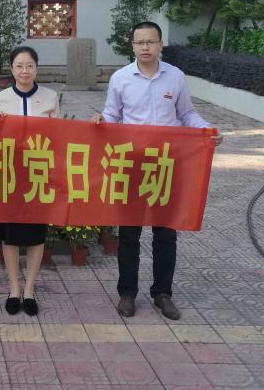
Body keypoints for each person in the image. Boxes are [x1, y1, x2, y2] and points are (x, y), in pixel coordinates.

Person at [95, 21, 222, 321]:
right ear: (132, 45)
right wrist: (102, 121)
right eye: (139, 42)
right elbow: (112, 114)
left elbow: (187, 113)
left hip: (166, 163)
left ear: (160, 44)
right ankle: (127, 293)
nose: (145, 47)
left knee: (165, 233)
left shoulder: (175, 77)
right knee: (129, 233)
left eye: (150, 42)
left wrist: (207, 131)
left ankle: (162, 293)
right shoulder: (120, 78)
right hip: (132, 164)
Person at [0, 46, 59, 317]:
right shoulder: (1, 98)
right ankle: (14, 288)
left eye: (30, 66)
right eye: (19, 66)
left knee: (35, 234)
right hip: (10, 173)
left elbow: (60, 136)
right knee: (10, 234)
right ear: (11, 69)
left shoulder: (50, 97)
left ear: (37, 68)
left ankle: (29, 289)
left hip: (39, 173)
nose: (25, 71)